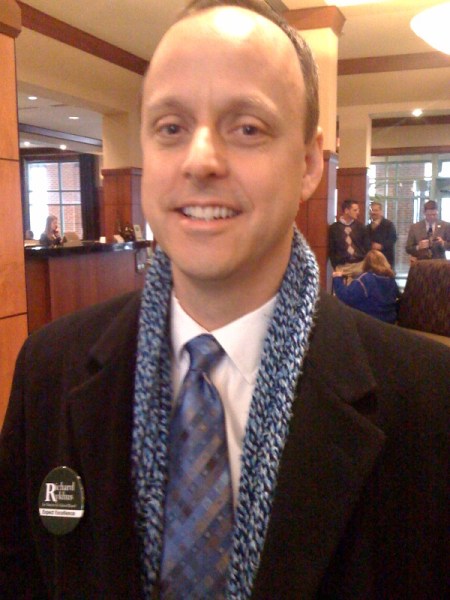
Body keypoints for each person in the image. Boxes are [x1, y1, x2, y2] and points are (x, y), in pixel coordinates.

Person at [1, 2, 448, 599]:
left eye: (247, 128)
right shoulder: (48, 370)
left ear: (309, 163)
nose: (201, 160)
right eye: (171, 128)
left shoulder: (430, 399)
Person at [332, 249, 399, 323]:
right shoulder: (391, 280)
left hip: (369, 323)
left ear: (367, 263)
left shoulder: (366, 279)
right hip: (389, 323)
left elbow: (345, 297)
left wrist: (337, 279)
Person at [328, 198, 369, 281]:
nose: (358, 212)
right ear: (346, 210)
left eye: (358, 210)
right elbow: (332, 249)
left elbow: (367, 246)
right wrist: (335, 266)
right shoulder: (334, 228)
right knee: (342, 288)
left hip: (359, 265)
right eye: (355, 210)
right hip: (343, 266)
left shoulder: (361, 227)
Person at [366, 201, 397, 268]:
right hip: (372, 262)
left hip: (386, 260)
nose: (373, 212)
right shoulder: (367, 227)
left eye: (376, 210)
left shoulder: (389, 225)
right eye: (372, 210)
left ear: (381, 212)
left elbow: (393, 239)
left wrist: (381, 246)